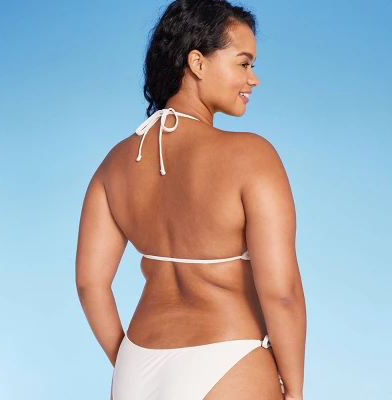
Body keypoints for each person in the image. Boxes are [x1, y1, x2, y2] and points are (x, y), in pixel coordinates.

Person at [75, 0, 307, 399]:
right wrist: (295, 388)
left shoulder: (114, 163)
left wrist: (128, 364)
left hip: (137, 366)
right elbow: (282, 292)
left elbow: (89, 283)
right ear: (197, 63)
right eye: (243, 63)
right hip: (229, 361)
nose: (253, 79)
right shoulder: (251, 156)